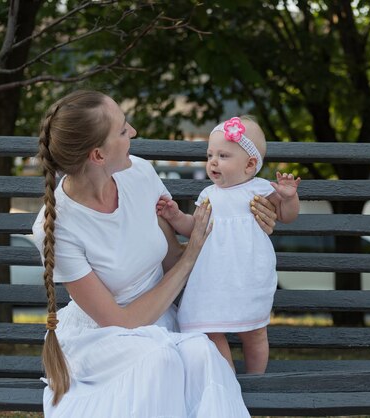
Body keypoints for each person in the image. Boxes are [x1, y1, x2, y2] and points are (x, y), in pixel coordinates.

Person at [32, 90, 278, 417]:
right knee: (158, 360)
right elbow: (120, 322)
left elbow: (172, 258)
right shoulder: (58, 226)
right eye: (122, 130)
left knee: (203, 355)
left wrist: (246, 228)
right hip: (105, 338)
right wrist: (191, 256)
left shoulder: (140, 174)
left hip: (162, 322)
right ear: (98, 156)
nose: (132, 131)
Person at [157, 116, 301, 374]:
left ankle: (256, 382)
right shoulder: (208, 194)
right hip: (212, 277)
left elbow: (286, 216)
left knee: (255, 333)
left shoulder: (260, 190)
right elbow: (195, 228)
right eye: (210, 154)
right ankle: (227, 380)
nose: (213, 161)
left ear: (250, 164)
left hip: (248, 276)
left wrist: (288, 198)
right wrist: (175, 216)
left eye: (223, 155)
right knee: (209, 329)